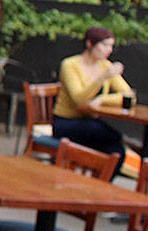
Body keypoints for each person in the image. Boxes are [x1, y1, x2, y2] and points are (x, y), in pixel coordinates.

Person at [52, 25, 134, 177]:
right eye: (104, 45)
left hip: (90, 126)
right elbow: (79, 100)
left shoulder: (105, 65)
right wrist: (102, 78)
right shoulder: (70, 65)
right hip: (65, 122)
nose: (109, 50)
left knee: (117, 151)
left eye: (111, 46)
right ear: (90, 44)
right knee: (101, 130)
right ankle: (125, 140)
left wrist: (102, 99)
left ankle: (99, 189)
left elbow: (129, 96)